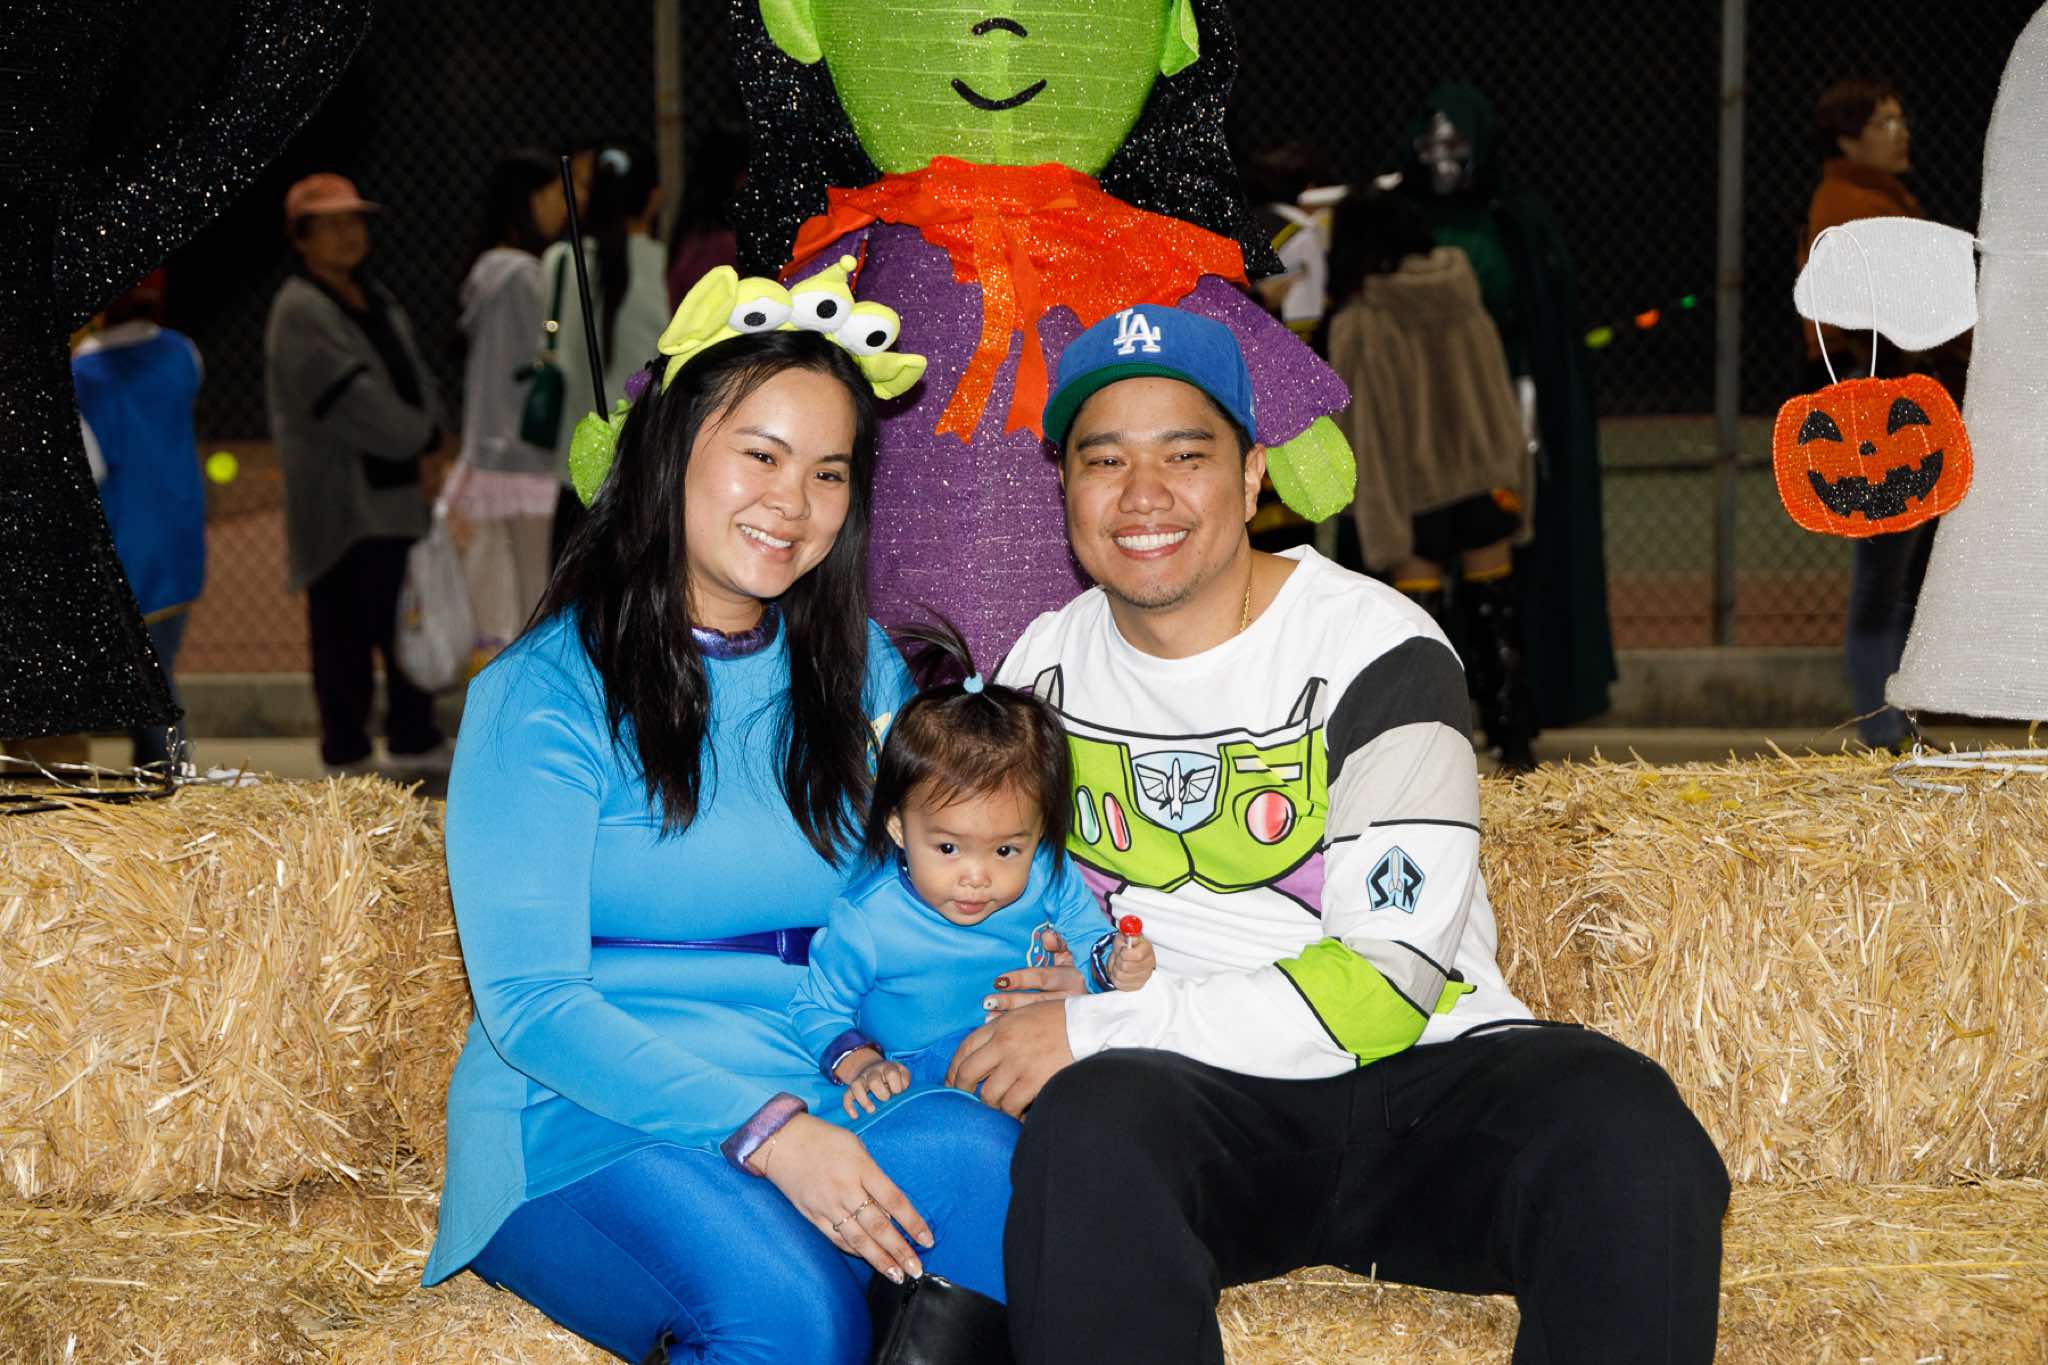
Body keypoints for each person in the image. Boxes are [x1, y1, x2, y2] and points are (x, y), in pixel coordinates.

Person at [950, 303, 1728, 1362]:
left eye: (1185, 454)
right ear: (1065, 487)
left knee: (1628, 1126)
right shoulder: (1037, 672)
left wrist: (1099, 1027)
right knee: (1082, 1136)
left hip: (1417, 1082)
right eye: (1105, 459)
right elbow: (977, 900)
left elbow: (1384, 985)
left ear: (1252, 475)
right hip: (1192, 1105)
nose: (1143, 495)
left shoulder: (1375, 646)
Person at [423, 325, 1017, 1364]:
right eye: (761, 454)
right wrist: (770, 1132)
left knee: (987, 1163)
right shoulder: (542, 692)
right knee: (792, 1312)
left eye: (827, 471)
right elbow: (533, 1006)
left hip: (818, 1072)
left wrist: (1032, 985)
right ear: (669, 452)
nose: (793, 501)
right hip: (585, 1110)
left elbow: (915, 895)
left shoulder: (861, 670)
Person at [789, 626, 1153, 1117]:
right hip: (922, 1076)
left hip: (1036, 1044)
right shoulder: (867, 920)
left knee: (1124, 1095)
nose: (977, 876)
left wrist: (1116, 963)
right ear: (898, 827)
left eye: (1005, 850)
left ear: (1040, 832)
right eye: (948, 848)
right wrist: (863, 1064)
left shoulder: (1047, 871)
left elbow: (1090, 940)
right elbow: (815, 1008)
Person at [1395, 83, 1615, 730]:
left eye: (1456, 144)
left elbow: (1542, 324)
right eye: (1431, 144)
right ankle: (1422, 715)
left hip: (1500, 414)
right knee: (1417, 558)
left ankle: (1511, 715)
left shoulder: (1514, 219)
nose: (1443, 158)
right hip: (1412, 422)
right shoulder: (1394, 217)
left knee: (1499, 549)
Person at [1322, 189, 1538, 770]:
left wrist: (1380, 523)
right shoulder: (1460, 289)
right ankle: (1516, 748)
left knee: (1421, 631)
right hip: (1485, 481)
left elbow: (1364, 430)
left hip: (1410, 499)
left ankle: (1432, 758)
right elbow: (1499, 397)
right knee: (1498, 614)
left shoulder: (1361, 318)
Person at [1800, 79, 1969, 750]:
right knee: (1882, 587)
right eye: (1884, 122)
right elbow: (1864, 317)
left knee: (1901, 582)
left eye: (1901, 119)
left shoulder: (1878, 201)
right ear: (1848, 139)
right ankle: (1884, 731)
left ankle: (1898, 726)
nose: (1901, 132)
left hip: (1901, 406)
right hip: (1882, 415)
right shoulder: (1852, 207)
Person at [263, 173, 449, 775]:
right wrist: (421, 438)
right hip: (344, 506)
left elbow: (417, 377)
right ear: (300, 239)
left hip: (393, 497)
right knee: (344, 632)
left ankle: (413, 737)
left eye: (354, 221)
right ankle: (346, 754)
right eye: (330, 225)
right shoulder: (300, 309)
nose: (348, 234)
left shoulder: (374, 296)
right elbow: (358, 405)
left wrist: (432, 442)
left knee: (404, 622)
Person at [71, 269, 207, 769]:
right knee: (156, 665)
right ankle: (162, 770)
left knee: (148, 680)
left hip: (125, 539)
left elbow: (90, 465)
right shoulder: (183, 353)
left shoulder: (83, 372)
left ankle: (173, 772)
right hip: (179, 535)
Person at [449, 149, 570, 668]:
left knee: (497, 594)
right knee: (534, 593)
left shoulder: (484, 272)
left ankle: (496, 680)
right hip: (526, 455)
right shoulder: (525, 276)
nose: (563, 207)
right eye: (555, 195)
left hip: (489, 452)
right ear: (530, 200)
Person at [540, 137, 671, 564]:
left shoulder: (562, 262)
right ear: (654, 197)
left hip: (575, 477)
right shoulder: (665, 267)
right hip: (643, 474)